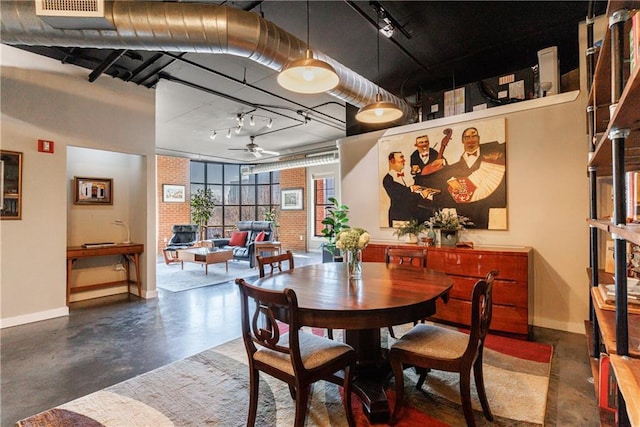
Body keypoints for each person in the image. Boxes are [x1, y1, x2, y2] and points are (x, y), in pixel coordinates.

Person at [443, 127, 506, 228]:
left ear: (479, 138)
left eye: (474, 136)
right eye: (467, 137)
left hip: (483, 208)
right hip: (462, 210)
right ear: (462, 141)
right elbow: (444, 179)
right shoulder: (454, 164)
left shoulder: (492, 153)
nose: (471, 139)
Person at [383, 151, 440, 227]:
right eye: (401, 157)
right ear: (392, 161)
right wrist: (421, 194)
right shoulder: (387, 179)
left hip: (410, 215)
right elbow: (400, 197)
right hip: (399, 217)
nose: (404, 160)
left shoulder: (403, 177)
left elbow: (404, 192)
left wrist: (414, 189)